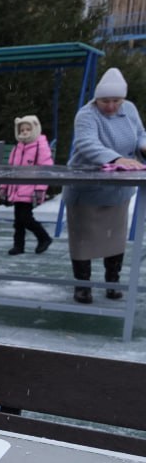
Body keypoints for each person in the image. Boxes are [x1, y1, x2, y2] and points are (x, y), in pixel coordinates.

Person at [65, 67, 146, 303]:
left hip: (119, 187)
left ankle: (112, 282)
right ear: (96, 98)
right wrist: (116, 159)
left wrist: (143, 146)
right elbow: (86, 143)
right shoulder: (86, 114)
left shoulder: (129, 109)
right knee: (82, 239)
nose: (111, 106)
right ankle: (83, 285)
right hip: (86, 187)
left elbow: (141, 132)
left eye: (116, 100)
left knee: (115, 238)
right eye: (105, 101)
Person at [0, 115, 53, 257]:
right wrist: (4, 186)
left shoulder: (40, 146)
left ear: (35, 129)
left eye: (28, 129)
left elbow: (45, 170)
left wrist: (40, 189)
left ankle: (44, 237)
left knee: (25, 218)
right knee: (18, 220)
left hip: (29, 189)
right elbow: (10, 168)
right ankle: (18, 245)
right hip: (16, 188)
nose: (24, 132)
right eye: (22, 130)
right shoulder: (18, 147)